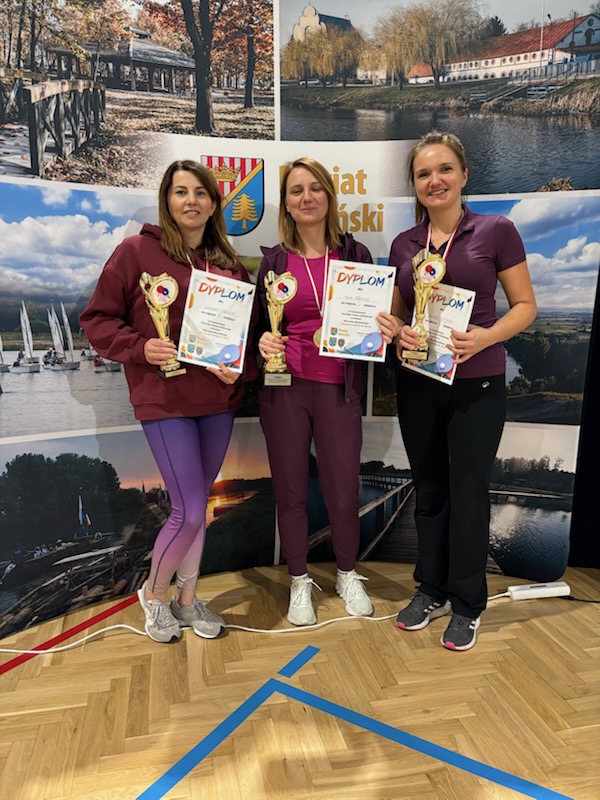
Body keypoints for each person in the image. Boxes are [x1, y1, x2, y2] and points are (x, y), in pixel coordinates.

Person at [80, 159, 257, 644]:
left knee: (201, 508)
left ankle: (187, 600)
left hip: (217, 400)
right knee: (189, 511)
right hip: (164, 400)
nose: (191, 201)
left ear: (214, 204)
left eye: (200, 192)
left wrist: (239, 366)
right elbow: (98, 320)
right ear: (167, 200)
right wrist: (142, 348)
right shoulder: (136, 251)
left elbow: (245, 336)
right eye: (181, 192)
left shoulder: (228, 265)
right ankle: (155, 596)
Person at [389, 131, 536, 651]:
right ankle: (431, 589)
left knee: (469, 493)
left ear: (464, 175)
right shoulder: (404, 244)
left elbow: (525, 307)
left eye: (445, 169)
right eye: (424, 173)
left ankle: (469, 602)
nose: (435, 180)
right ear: (415, 183)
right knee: (429, 490)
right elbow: (399, 315)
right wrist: (399, 331)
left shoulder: (496, 231)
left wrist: (486, 337)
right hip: (419, 382)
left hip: (478, 382)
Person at [257, 156, 399, 626]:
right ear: (286, 203)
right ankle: (299, 580)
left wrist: (383, 328)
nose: (307, 197)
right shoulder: (275, 262)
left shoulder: (356, 256)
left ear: (329, 196)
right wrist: (263, 342)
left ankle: (347, 573)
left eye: (315, 188)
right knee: (291, 490)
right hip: (286, 389)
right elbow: (258, 328)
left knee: (342, 491)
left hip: (339, 388)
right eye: (296, 190)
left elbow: (376, 320)